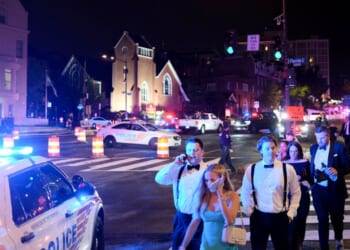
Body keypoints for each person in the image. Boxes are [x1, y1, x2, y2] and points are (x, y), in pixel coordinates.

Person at [240, 135, 301, 250]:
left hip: (281, 216)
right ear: (261, 151)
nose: (271, 151)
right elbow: (245, 191)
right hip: (259, 216)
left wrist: (290, 213)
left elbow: (296, 192)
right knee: (258, 247)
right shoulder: (252, 169)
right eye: (267, 148)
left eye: (273, 148)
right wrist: (249, 210)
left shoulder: (287, 169)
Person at [155, 137, 206, 250]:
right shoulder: (178, 170)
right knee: (179, 247)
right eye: (189, 150)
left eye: (196, 150)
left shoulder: (207, 171)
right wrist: (174, 164)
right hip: (181, 218)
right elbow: (159, 179)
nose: (192, 153)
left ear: (202, 152)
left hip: (200, 220)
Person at [179, 163, 240, 250]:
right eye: (206, 180)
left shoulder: (232, 196)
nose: (208, 183)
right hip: (206, 247)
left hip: (227, 247)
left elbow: (230, 221)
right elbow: (194, 222)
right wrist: (183, 245)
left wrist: (220, 195)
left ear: (222, 180)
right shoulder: (203, 196)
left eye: (212, 180)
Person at [309, 125, 350, 250]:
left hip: (335, 191)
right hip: (318, 191)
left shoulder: (339, 147)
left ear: (328, 136)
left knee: (337, 219)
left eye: (322, 138)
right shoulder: (313, 148)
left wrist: (338, 171)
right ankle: (324, 247)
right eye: (317, 138)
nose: (319, 141)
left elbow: (348, 166)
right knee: (322, 219)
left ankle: (338, 237)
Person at [284, 141, 312, 250]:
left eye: (295, 151)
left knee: (301, 220)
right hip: (289, 198)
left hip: (303, 197)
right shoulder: (284, 164)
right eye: (291, 151)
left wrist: (306, 183)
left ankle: (300, 243)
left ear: (299, 152)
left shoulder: (305, 163)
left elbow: (310, 181)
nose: (293, 153)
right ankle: (291, 245)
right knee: (291, 222)